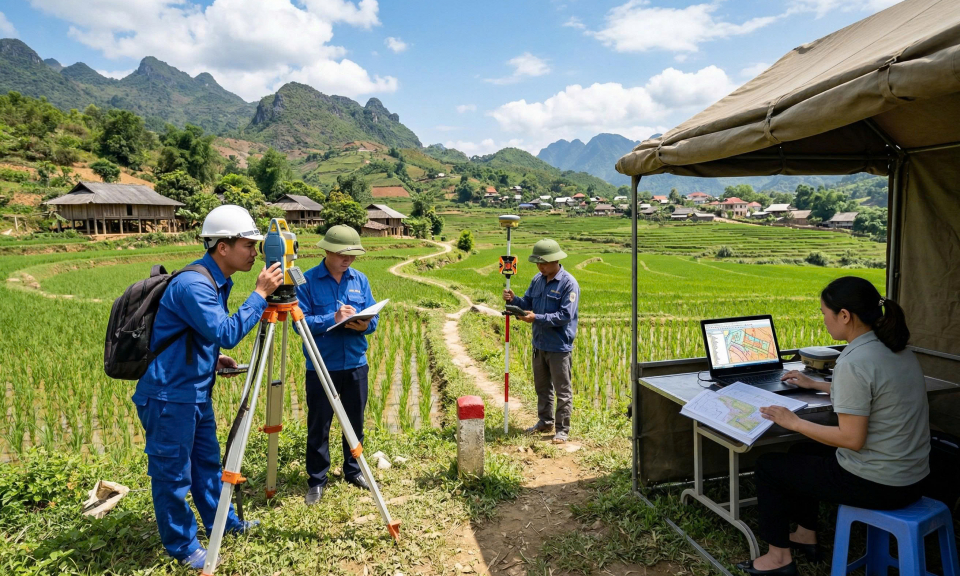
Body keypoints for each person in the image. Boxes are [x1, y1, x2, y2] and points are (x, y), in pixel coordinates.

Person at [737, 276, 929, 576]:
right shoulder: (896, 348)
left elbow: (851, 439)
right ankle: (805, 534)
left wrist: (794, 421)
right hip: (913, 476)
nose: (824, 321)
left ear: (844, 315)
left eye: (825, 313)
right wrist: (814, 384)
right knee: (801, 451)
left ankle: (778, 559)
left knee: (768, 466)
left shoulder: (854, 361)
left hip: (880, 484)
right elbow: (877, 394)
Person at [132, 205, 284, 569]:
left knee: (207, 466)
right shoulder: (194, 283)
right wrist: (260, 294)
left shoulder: (216, 280)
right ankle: (182, 546)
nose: (255, 252)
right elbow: (227, 333)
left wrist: (212, 359)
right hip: (170, 396)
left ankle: (225, 525)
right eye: (248, 245)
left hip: (196, 391)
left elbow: (198, 334)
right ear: (222, 247)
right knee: (172, 475)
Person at [296, 225, 378, 505]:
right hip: (321, 365)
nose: (348, 260)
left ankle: (353, 471)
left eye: (353, 256)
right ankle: (317, 480)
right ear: (327, 250)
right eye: (344, 254)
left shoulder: (361, 280)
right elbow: (300, 324)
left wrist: (362, 325)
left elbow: (374, 320)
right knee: (319, 424)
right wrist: (333, 318)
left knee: (355, 422)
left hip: (356, 363)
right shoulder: (306, 281)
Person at [502, 238, 580, 444]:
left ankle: (562, 429)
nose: (540, 267)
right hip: (539, 343)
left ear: (555, 260)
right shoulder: (537, 279)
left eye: (544, 263)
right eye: (538, 263)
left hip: (558, 346)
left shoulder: (568, 284)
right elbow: (527, 303)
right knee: (542, 387)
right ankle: (545, 421)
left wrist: (536, 317)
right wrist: (514, 300)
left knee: (562, 390)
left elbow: (564, 315)